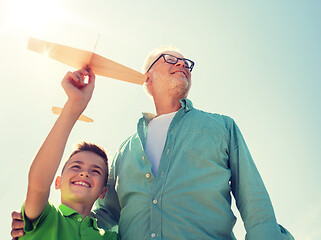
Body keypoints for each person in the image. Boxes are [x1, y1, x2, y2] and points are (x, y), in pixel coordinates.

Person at [11, 47, 294, 240]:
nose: (183, 65)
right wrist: (40, 220)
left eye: (187, 64)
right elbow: (107, 213)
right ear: (147, 79)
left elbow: (255, 203)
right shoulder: (124, 151)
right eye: (171, 59)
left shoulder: (222, 127)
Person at [14, 67, 119, 240]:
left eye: (96, 171)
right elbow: (38, 183)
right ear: (58, 181)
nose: (84, 173)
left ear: (103, 192)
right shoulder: (44, 216)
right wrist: (74, 105)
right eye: (76, 166)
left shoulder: (110, 237)